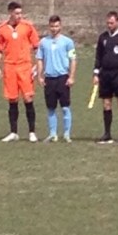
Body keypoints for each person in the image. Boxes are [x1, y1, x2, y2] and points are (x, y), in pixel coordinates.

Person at [0, 1, 40, 142]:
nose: (19, 15)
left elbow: (37, 47)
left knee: (28, 98)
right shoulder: (1, 28)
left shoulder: (28, 27)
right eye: (17, 13)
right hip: (9, 67)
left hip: (25, 66)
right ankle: (13, 132)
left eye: (21, 13)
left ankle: (32, 132)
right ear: (10, 13)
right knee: (12, 99)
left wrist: (37, 66)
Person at [93, 10, 118, 145]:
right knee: (106, 103)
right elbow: (98, 56)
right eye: (108, 23)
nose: (109, 25)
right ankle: (107, 134)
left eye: (111, 22)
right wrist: (96, 73)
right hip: (105, 74)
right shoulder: (103, 37)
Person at [36, 15, 77, 143]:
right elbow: (39, 60)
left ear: (61, 26)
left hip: (62, 77)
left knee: (65, 107)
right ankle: (53, 134)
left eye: (57, 26)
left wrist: (71, 76)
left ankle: (66, 134)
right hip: (49, 78)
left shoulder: (67, 42)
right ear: (49, 26)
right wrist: (39, 76)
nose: (54, 28)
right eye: (52, 26)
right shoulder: (43, 42)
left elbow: (73, 59)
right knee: (51, 108)